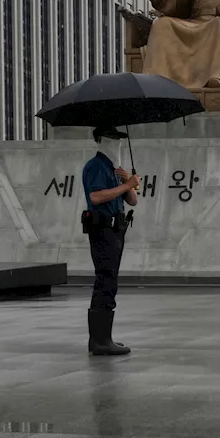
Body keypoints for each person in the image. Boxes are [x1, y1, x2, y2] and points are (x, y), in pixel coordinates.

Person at [82, 133, 140, 355]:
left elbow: (133, 200)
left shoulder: (115, 169)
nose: (118, 145)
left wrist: (128, 182)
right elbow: (96, 197)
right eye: (114, 139)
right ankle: (99, 340)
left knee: (110, 280)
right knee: (105, 279)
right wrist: (126, 186)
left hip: (115, 229)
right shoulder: (96, 166)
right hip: (102, 228)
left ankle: (104, 337)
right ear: (103, 140)